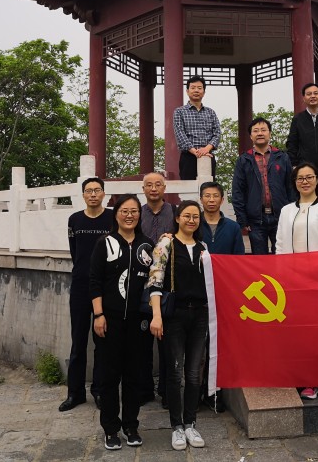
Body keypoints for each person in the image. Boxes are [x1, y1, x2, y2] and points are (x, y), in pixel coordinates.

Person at [274, 161, 318, 401]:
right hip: (296, 282)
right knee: (304, 333)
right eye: (300, 178)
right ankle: (310, 380)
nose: (304, 182)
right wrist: (284, 277)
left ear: (317, 180)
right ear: (294, 183)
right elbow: (280, 246)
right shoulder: (286, 211)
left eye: (309, 177)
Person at [89, 195, 153, 450]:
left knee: (134, 376)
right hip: (109, 320)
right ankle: (110, 428)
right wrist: (98, 315)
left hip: (138, 322)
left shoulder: (147, 245)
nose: (129, 215)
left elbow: (154, 282)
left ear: (140, 214)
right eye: (125, 211)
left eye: (134, 211)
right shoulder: (105, 243)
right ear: (116, 214)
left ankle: (131, 425)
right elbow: (95, 280)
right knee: (108, 376)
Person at [148, 201, 210, 451]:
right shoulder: (166, 244)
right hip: (174, 315)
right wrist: (156, 316)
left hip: (200, 314)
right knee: (175, 372)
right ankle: (176, 426)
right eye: (187, 216)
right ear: (177, 218)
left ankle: (191, 423)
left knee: (194, 373)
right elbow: (155, 280)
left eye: (196, 216)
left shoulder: (204, 248)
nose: (191, 220)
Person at [60, 178, 113, 412]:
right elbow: (75, 251)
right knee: (78, 341)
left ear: (104, 194)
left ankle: (100, 390)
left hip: (106, 287)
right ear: (83, 195)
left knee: (103, 341)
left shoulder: (112, 218)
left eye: (97, 190)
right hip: (81, 285)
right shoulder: (75, 220)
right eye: (88, 191)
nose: (93, 194)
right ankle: (75, 392)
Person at [197, 181, 244, 412]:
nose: (211, 200)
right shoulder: (194, 224)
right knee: (198, 345)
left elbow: (239, 262)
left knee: (219, 343)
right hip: (197, 293)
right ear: (201, 199)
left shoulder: (233, 228)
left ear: (222, 200)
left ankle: (215, 393)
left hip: (224, 293)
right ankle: (195, 392)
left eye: (215, 196)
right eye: (207, 196)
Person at [231, 117, 294, 254]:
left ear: (269, 133)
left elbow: (291, 187)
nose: (260, 133)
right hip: (255, 220)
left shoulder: (282, 157)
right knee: (259, 259)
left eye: (263, 130)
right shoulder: (244, 160)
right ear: (251, 136)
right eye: (256, 131)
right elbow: (237, 191)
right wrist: (242, 219)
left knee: (283, 255)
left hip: (281, 217)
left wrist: (292, 214)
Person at [139, 172, 175, 407]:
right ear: (143, 189)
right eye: (149, 185)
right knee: (141, 341)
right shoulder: (136, 212)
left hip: (167, 283)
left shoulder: (174, 212)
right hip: (140, 281)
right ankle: (143, 389)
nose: (153, 188)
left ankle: (166, 390)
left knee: (167, 342)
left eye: (158, 184)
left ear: (164, 187)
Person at [172, 75, 221, 180]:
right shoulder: (179, 112)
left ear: (204, 92)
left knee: (208, 186)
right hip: (188, 157)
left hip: (208, 155)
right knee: (188, 187)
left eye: (199, 88)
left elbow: (217, 133)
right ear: (187, 91)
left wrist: (206, 149)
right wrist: (195, 151)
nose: (196, 90)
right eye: (193, 87)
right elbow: (180, 134)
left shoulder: (211, 112)